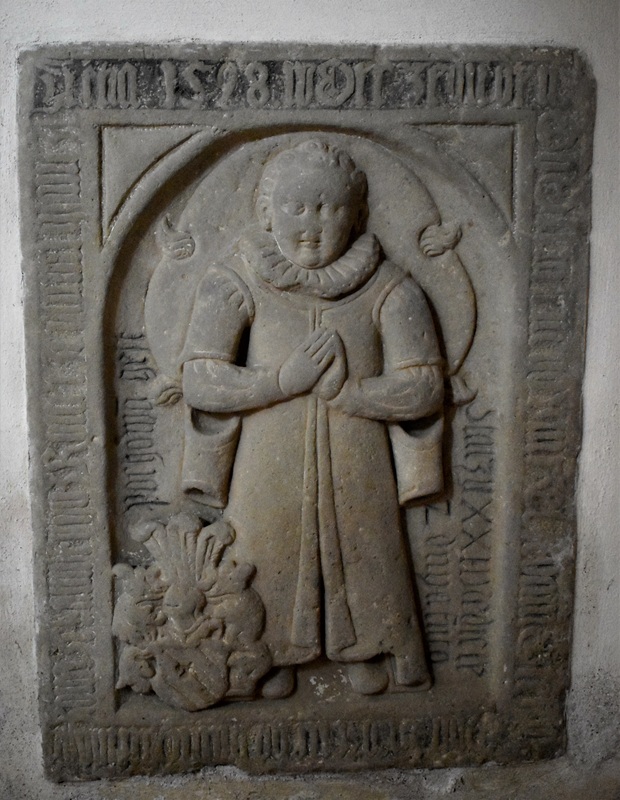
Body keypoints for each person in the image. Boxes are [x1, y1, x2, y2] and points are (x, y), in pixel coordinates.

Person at [179, 139, 444, 698]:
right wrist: (279, 381)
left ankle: (368, 647)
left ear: (357, 215)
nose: (312, 225)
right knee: (265, 546)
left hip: (358, 453)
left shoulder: (389, 287)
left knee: (364, 548)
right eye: (297, 207)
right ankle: (266, 653)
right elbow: (200, 377)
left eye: (329, 209)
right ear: (266, 211)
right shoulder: (236, 280)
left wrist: (353, 393)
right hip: (266, 457)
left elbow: (424, 386)